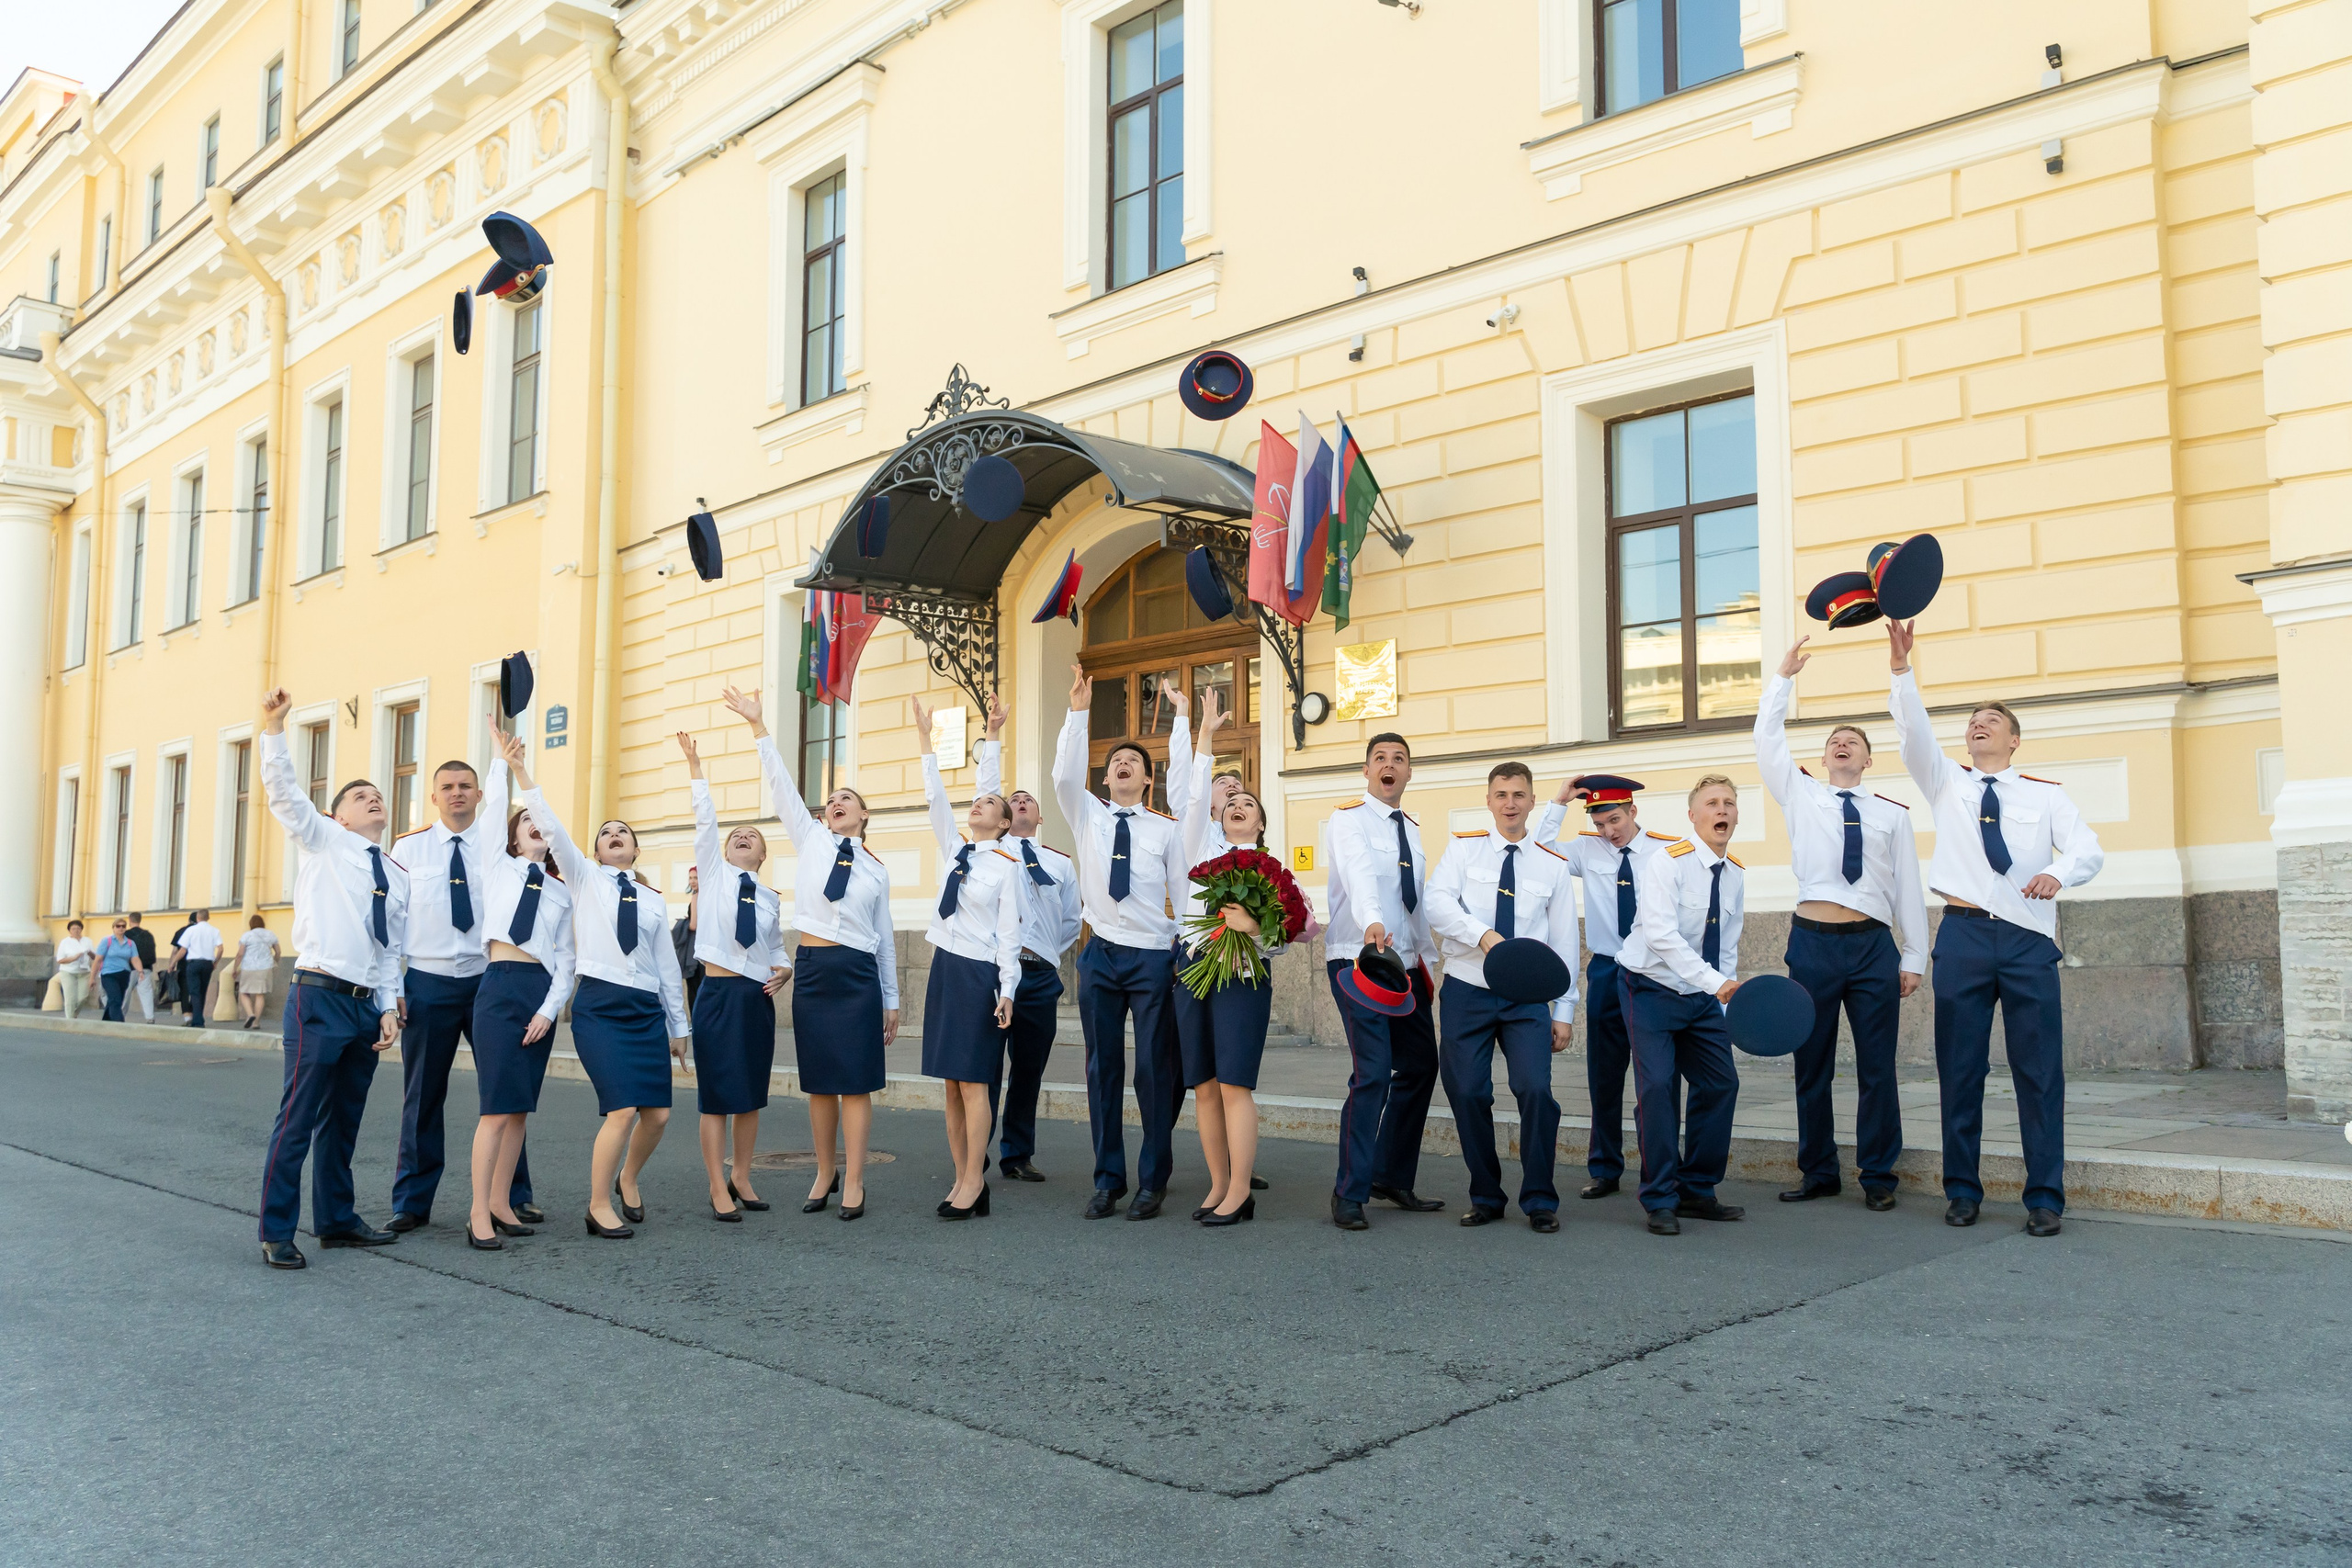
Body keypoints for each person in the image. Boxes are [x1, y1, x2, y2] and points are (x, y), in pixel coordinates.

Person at [1887, 620, 2103, 1237]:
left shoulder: (2048, 795)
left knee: (2038, 1071)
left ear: (2013, 739)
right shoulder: (1946, 780)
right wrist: (1902, 669)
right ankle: (1962, 1189)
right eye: (1972, 719)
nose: (1978, 724)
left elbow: (2088, 848)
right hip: (1962, 936)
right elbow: (1912, 732)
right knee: (1960, 1069)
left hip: (2028, 941)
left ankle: (2045, 1196)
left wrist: (2059, 873)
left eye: (1991, 720)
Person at [1757, 638, 1930, 1211]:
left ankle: (1878, 1176)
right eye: (1834, 740)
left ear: (1867, 759)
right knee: (1813, 1063)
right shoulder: (1800, 793)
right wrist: (1782, 679)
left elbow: (1907, 889)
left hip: (1871, 947)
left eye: (1852, 741)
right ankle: (1818, 1170)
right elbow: (1767, 741)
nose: (1841, 744)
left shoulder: (1891, 814)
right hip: (1812, 945)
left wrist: (1912, 957)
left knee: (1877, 1066)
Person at [726, 684, 897, 1222]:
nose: (837, 802)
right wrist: (759, 728)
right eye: (833, 799)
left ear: (864, 815)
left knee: (859, 1081)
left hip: (859, 972)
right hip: (817, 969)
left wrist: (891, 998)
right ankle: (825, 1171)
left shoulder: (876, 870)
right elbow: (780, 787)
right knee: (821, 1080)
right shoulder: (812, 839)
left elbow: (887, 938)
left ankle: (857, 1180)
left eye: (849, 799)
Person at [254, 685, 410, 1270]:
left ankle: (338, 1220)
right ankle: (276, 1231)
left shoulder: (396, 873)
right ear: (339, 814)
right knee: (297, 1118)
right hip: (316, 996)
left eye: (377, 795)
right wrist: (274, 728)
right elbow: (285, 795)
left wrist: (390, 1008)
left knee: (344, 1121)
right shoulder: (322, 839)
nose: (372, 800)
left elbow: (390, 948)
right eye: (360, 796)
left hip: (366, 1007)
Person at [518, 771, 691, 1240]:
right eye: (605, 833)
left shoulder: (653, 898)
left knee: (658, 1114)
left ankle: (628, 1177)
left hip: (646, 1010)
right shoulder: (584, 878)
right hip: (600, 1007)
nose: (614, 836)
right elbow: (551, 827)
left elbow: (667, 967)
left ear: (636, 851)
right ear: (595, 852)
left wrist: (679, 1027)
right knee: (621, 1111)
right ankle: (597, 1206)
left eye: (623, 833)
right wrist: (522, 774)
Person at [1052, 665, 1190, 1222]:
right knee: (1102, 1068)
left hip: (1154, 956)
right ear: (1106, 779)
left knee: (1154, 1072)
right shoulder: (1087, 814)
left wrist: (1187, 952)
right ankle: (1108, 1178)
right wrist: (1077, 713)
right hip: (1102, 954)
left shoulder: (1166, 828)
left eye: (1133, 762)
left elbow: (1183, 897)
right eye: (1114, 763)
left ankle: (1153, 1180)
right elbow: (1063, 776)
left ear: (1147, 779)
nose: (1122, 765)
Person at [388, 750, 537, 1232]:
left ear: (479, 794)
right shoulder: (408, 849)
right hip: (428, 981)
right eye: (447, 787)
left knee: (505, 1090)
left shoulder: (499, 847)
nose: (457, 793)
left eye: (465, 786)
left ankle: (512, 1195)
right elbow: (392, 923)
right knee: (423, 1094)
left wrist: (501, 760)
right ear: (432, 796)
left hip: (489, 979)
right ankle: (412, 1202)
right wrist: (393, 987)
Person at [1427, 762, 1579, 1232]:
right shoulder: (1463, 849)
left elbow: (1565, 941)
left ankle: (1539, 1198)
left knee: (1535, 1090)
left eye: (1518, 794)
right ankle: (1486, 1194)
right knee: (1467, 1091)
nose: (1510, 803)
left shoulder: (1551, 865)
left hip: (1527, 999)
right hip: (1468, 988)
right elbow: (1436, 902)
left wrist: (1565, 1009)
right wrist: (1484, 935)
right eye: (1501, 794)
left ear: (1532, 801)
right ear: (1489, 801)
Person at [1531, 775, 1682, 1200]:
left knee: (1660, 1077)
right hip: (1605, 969)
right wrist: (1558, 802)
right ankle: (1605, 1167)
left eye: (1614, 820)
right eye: (1600, 824)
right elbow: (1540, 851)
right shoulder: (1584, 849)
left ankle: (1665, 1164)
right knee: (1604, 1074)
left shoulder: (1667, 850)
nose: (1609, 832)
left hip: (1655, 972)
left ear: (1633, 811)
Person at [1168, 687, 1283, 1226]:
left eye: (1248, 805)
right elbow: (1193, 800)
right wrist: (1205, 735)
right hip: (1194, 971)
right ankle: (1216, 1184)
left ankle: (1241, 1189)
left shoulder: (1272, 867)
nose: (1238, 806)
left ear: (1260, 823)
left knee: (1235, 1082)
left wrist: (1252, 926)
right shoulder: (1199, 848)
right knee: (1205, 1086)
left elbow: (1285, 937)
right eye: (1231, 802)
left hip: (1241, 976)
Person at [1321, 733, 1442, 1230]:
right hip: (1360, 958)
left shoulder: (1411, 829)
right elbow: (1359, 875)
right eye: (1379, 759)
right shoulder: (1347, 818)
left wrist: (1428, 961)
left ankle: (1391, 1175)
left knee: (1419, 1066)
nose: (1389, 766)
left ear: (1409, 773)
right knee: (1373, 1072)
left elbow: (1415, 902)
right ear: (1367, 771)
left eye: (1399, 760)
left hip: (1405, 965)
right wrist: (1373, 923)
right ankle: (1348, 1191)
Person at [1616, 775, 1746, 1237]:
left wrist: (1722, 999)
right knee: (1657, 1089)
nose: (1722, 810)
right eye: (1712, 803)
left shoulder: (1736, 874)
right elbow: (1661, 937)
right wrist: (1716, 984)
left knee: (1720, 1084)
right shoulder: (1666, 863)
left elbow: (1727, 945)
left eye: (1729, 803)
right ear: (1693, 816)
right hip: (1649, 988)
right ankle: (1659, 1198)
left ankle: (1697, 1189)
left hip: (1703, 996)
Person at [467, 732, 579, 1251]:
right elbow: (492, 818)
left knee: (519, 1110)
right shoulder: (498, 866)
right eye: (525, 823)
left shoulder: (561, 891)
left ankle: (501, 1202)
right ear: (513, 839)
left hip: (538, 992)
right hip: (500, 985)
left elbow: (567, 960)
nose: (534, 826)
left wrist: (550, 1010)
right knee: (495, 1107)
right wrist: (503, 763)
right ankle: (477, 1212)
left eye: (540, 822)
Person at [676, 728, 792, 1224]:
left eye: (753, 838)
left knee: (750, 1094)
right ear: (724, 853)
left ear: (762, 856)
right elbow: (706, 823)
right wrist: (696, 768)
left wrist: (784, 969)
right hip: (718, 994)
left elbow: (775, 947)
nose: (743, 837)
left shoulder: (769, 899)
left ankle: (742, 1176)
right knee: (718, 1095)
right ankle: (715, 1184)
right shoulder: (718, 877)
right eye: (736, 837)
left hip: (755, 1000)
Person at [912, 695, 1023, 1220]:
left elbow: (1009, 937)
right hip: (945, 970)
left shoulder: (1006, 868)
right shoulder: (956, 850)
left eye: (988, 807)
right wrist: (924, 739)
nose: (976, 807)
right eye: (976, 804)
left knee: (976, 1081)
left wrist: (1007, 991)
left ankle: (975, 1181)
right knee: (952, 1085)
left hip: (980, 975)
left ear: (1004, 826)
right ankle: (961, 1176)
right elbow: (936, 798)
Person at [974, 696, 1083, 1184]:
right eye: (1010, 799)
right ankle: (973, 1152)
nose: (1017, 802)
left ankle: (1017, 1153)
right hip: (992, 972)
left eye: (1027, 800)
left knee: (1027, 1070)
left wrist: (1039, 956)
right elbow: (985, 789)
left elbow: (1069, 922)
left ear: (1039, 818)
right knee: (982, 1067)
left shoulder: (1059, 863)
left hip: (1038, 976)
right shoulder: (991, 850)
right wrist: (993, 734)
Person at [176, 909, 225, 1027]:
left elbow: (183, 950)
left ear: (198, 918)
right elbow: (221, 948)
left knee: (194, 992)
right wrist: (216, 962)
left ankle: (197, 1021)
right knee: (202, 991)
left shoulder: (191, 930)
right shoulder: (214, 930)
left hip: (193, 963)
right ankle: (199, 1018)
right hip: (208, 963)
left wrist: (173, 962)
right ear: (208, 918)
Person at [235, 915, 280, 1029]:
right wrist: (274, 962)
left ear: (251, 924)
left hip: (249, 967)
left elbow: (240, 954)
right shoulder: (270, 934)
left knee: (244, 992)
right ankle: (256, 1022)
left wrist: (235, 968)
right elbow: (278, 951)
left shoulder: (247, 935)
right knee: (260, 994)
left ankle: (250, 1014)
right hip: (265, 967)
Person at [672, 864, 705, 1013]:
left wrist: (683, 923)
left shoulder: (697, 896)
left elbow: (694, 925)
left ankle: (697, 1024)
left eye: (696, 877)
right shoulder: (707, 895)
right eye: (690, 878)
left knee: (694, 989)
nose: (692, 881)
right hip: (704, 948)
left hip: (695, 951)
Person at [94, 919, 140, 1021]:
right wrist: (92, 978)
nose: (121, 928)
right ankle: (119, 1023)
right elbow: (97, 960)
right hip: (108, 974)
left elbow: (135, 959)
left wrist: (140, 971)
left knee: (114, 1000)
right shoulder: (107, 941)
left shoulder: (130, 943)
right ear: (113, 928)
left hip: (124, 974)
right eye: (118, 926)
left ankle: (106, 1022)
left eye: (123, 926)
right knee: (115, 999)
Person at [53, 920, 96, 1020]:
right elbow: (60, 959)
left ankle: (74, 1013)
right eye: (73, 929)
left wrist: (89, 952)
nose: (76, 931)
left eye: (78, 928)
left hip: (84, 971)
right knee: (70, 997)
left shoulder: (87, 941)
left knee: (83, 996)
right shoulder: (65, 942)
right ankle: (70, 1019)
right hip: (68, 972)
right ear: (69, 931)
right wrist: (74, 958)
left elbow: (95, 957)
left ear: (81, 929)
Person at [125, 912, 157, 1021]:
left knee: (125, 993)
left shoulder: (126, 934)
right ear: (140, 920)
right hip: (146, 968)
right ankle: (150, 1017)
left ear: (130, 920)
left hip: (129, 968)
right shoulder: (148, 935)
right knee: (146, 993)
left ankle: (119, 1016)